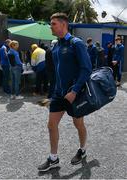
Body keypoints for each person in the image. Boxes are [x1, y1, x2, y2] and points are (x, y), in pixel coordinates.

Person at [38, 13, 92, 172]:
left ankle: (82, 150)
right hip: (58, 94)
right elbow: (57, 72)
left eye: (53, 23)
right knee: (51, 125)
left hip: (74, 94)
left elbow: (86, 69)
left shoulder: (76, 43)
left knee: (78, 124)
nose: (51, 26)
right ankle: (53, 158)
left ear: (63, 24)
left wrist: (75, 90)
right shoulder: (56, 46)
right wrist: (52, 92)